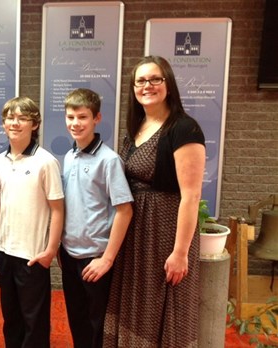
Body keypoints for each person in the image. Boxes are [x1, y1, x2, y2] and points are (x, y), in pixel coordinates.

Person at [103, 56, 206, 347]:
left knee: (162, 305)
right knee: (134, 301)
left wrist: (181, 252)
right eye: (141, 81)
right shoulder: (135, 128)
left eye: (155, 79)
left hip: (164, 232)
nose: (147, 86)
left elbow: (191, 196)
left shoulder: (184, 128)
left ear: (168, 84)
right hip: (135, 231)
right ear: (133, 88)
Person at [58, 88, 133, 348]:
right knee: (77, 321)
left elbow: (125, 210)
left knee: (98, 328)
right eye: (70, 117)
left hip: (96, 259)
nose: (75, 123)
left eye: (82, 117)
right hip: (69, 256)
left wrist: (107, 259)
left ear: (96, 118)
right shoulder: (68, 157)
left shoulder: (109, 160)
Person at [0, 96, 64, 347]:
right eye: (11, 117)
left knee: (35, 322)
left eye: (22, 118)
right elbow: (2, 202)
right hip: (4, 251)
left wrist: (50, 251)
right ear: (4, 123)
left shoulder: (46, 162)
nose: (15, 122)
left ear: (34, 124)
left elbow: (57, 209)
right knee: (11, 318)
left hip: (33, 255)